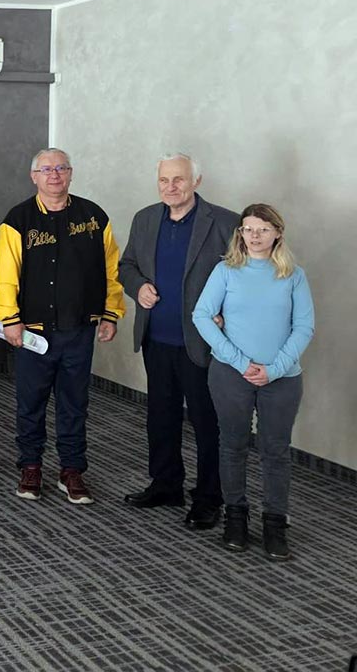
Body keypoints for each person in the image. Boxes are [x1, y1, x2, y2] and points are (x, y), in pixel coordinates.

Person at [0, 148, 125, 505]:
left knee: (74, 403)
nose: (54, 175)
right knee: (30, 403)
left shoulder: (94, 217)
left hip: (79, 330)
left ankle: (72, 471)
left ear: (71, 173)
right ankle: (30, 466)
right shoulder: (17, 220)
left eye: (61, 168)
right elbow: (6, 276)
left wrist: (111, 313)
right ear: (33, 176)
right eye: (46, 169)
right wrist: (10, 320)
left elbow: (111, 270)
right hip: (32, 332)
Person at [118, 154, 239, 529]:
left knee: (206, 422)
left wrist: (228, 313)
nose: (170, 187)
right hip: (156, 338)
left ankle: (209, 497)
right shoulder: (145, 218)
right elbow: (126, 266)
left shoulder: (225, 222)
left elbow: (246, 277)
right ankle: (165, 484)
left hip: (202, 343)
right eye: (164, 180)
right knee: (161, 417)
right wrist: (138, 287)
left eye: (179, 180)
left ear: (196, 181)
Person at [193, 203, 314, 561]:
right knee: (232, 445)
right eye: (248, 229)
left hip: (282, 379)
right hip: (231, 375)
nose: (255, 236)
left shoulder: (293, 275)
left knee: (276, 450)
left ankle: (275, 523)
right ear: (240, 233)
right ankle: (236, 518)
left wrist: (274, 369)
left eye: (263, 229)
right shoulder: (226, 271)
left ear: (277, 233)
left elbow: (304, 327)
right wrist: (241, 363)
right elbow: (201, 315)